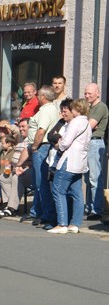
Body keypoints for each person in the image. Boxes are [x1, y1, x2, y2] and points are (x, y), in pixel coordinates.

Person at [47, 99, 92, 233]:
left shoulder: (76, 122)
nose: (70, 110)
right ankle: (75, 223)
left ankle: (62, 224)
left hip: (69, 160)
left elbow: (65, 142)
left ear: (77, 109)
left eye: (72, 108)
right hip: (80, 162)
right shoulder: (87, 123)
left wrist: (59, 144)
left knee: (58, 190)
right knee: (77, 192)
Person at [27, 85, 58, 226]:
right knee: (40, 183)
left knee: (41, 183)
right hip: (43, 147)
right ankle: (41, 211)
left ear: (43, 97)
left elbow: (41, 131)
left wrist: (34, 146)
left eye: (39, 95)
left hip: (41, 147)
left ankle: (47, 214)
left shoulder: (46, 111)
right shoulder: (51, 109)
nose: (37, 97)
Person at [83, 83, 108, 221]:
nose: (87, 95)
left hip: (95, 142)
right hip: (88, 142)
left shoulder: (101, 107)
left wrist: (87, 124)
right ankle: (89, 207)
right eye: (85, 93)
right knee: (88, 178)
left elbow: (88, 126)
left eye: (90, 93)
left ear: (98, 93)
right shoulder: (89, 107)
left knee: (95, 178)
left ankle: (96, 209)